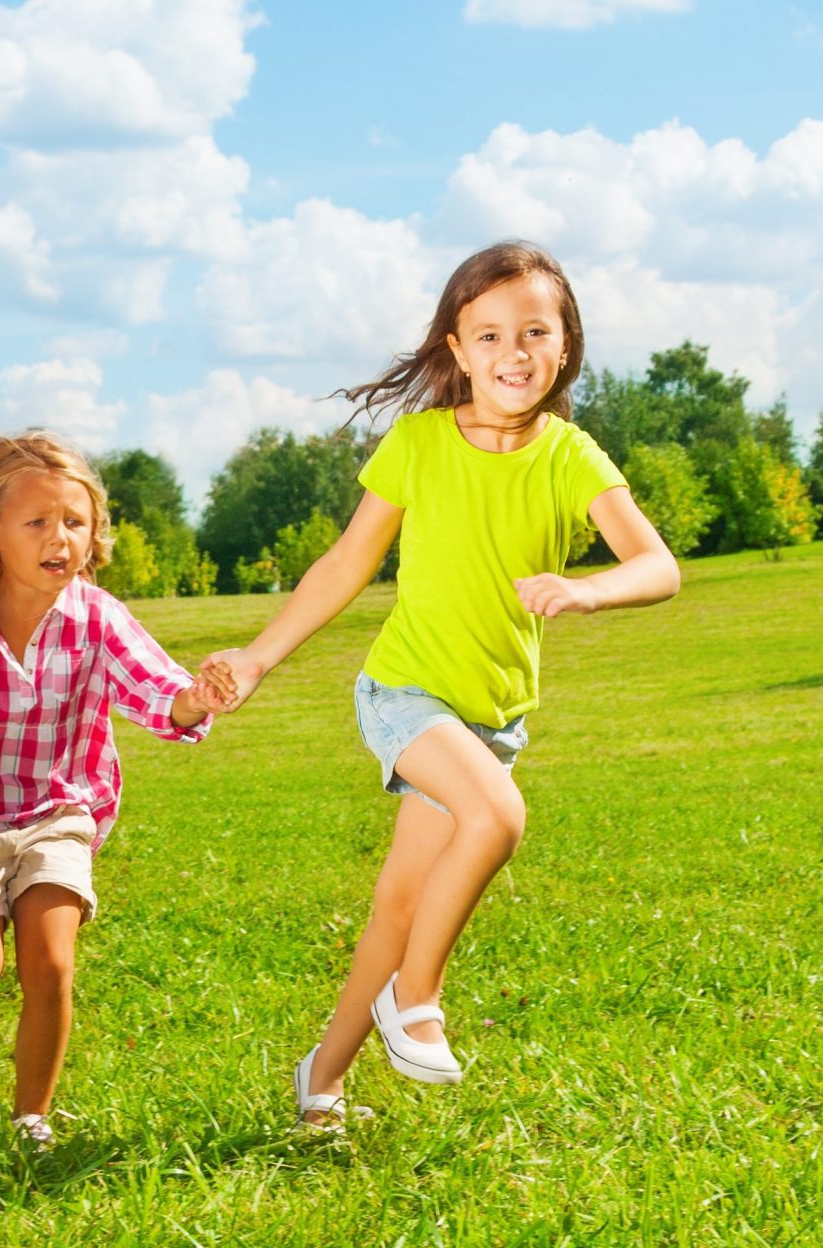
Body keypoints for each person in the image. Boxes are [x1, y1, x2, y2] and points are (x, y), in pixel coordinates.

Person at [199, 241, 682, 1130]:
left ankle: (323, 1079)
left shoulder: (573, 456)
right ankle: (413, 997)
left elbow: (658, 565)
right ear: (457, 350)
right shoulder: (419, 442)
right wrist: (260, 657)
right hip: (406, 694)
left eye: (535, 330)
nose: (514, 351)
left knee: (399, 904)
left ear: (565, 344)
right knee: (497, 818)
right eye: (489, 333)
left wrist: (585, 588)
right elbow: (347, 563)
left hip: (491, 717)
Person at [0, 431, 220, 1152]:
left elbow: (156, 688)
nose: (60, 538)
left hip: (59, 808)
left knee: (52, 962)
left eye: (75, 522)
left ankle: (31, 1116)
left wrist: (194, 698)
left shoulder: (96, 617)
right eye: (38, 522)